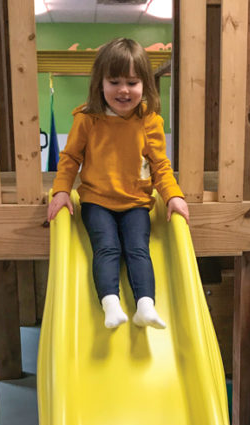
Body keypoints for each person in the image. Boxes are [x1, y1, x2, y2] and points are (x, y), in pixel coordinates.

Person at [47, 37, 190, 330]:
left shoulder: (149, 122)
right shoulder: (87, 119)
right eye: (114, 81)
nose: (123, 90)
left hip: (136, 202)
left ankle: (145, 306)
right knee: (108, 248)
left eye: (132, 82)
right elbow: (70, 158)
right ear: (100, 83)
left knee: (138, 248)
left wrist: (173, 195)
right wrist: (62, 191)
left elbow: (161, 166)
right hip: (97, 201)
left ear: (144, 86)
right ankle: (110, 304)